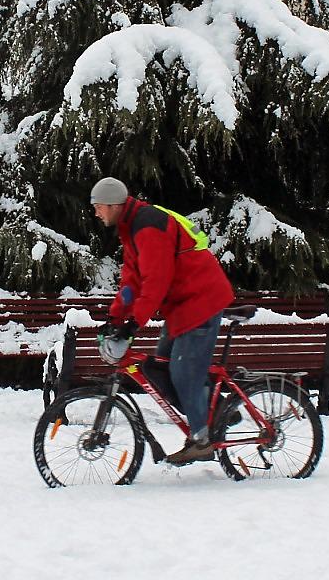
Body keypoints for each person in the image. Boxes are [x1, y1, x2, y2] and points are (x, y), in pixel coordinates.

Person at [90, 176, 234, 465]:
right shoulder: (130, 228)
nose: (96, 212)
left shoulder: (148, 226)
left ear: (113, 204)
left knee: (183, 373)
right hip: (183, 306)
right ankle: (215, 411)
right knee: (159, 369)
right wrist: (115, 317)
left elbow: (157, 281)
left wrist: (133, 324)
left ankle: (202, 439)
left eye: (98, 207)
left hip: (201, 301)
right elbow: (132, 281)